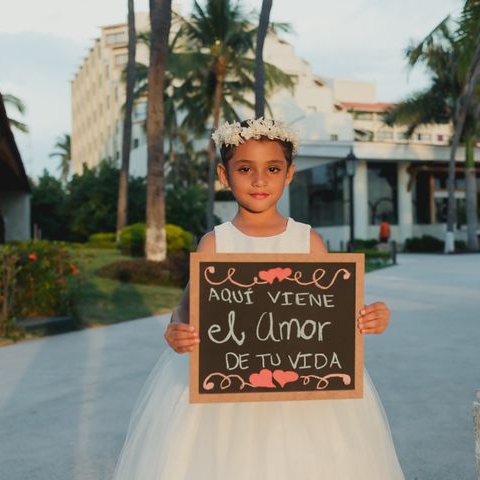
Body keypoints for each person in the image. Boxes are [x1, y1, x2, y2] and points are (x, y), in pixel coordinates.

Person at [111, 118, 405, 479]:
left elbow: (332, 316)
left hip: (302, 396)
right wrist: (176, 332)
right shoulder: (215, 243)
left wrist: (369, 318)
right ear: (224, 174)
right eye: (245, 168)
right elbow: (187, 312)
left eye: (273, 168)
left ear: (290, 174)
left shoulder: (307, 241)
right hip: (226, 394)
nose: (260, 180)